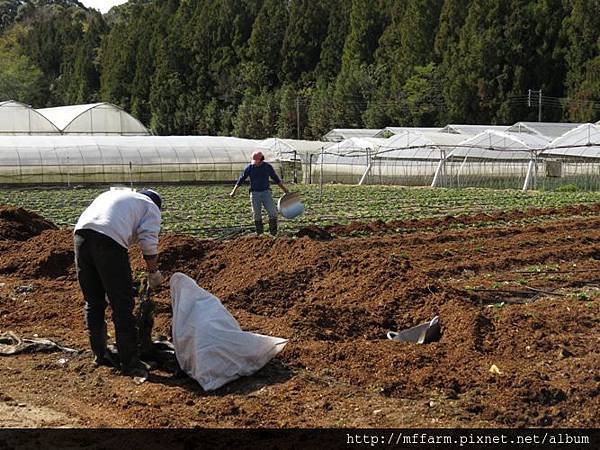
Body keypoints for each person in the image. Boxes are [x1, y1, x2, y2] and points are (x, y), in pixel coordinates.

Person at [73, 188, 164, 379]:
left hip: (81, 237)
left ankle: (100, 355)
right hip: (108, 240)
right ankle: (130, 363)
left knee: (94, 301)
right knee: (122, 305)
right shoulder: (150, 206)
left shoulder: (115, 195)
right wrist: (153, 272)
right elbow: (148, 243)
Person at [230, 151, 289, 235]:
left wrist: (284, 189)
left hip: (266, 192)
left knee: (272, 212)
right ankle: (260, 234)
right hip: (254, 193)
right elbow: (241, 179)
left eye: (257, 162)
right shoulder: (250, 167)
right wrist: (233, 191)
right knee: (256, 214)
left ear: (262, 160)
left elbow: (275, 178)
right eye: (254, 162)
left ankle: (273, 233)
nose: (255, 164)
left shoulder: (267, 167)